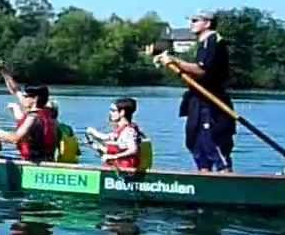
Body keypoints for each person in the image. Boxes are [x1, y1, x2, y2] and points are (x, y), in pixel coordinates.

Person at [155, 10, 235, 172]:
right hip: (197, 101)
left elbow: (201, 70)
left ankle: (225, 178)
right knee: (196, 144)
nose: (190, 24)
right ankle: (203, 176)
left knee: (212, 142)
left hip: (212, 103)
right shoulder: (202, 43)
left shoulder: (213, 41)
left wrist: (174, 60)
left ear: (207, 23)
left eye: (195, 20)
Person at [0, 65, 57, 162]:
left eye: (26, 96)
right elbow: (16, 90)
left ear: (35, 98)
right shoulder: (47, 112)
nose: (23, 97)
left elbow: (15, 138)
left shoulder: (32, 118)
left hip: (35, 161)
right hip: (48, 160)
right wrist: (5, 73)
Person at [85, 97, 147, 170]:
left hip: (125, 173)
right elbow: (114, 149)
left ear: (122, 113)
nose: (110, 113)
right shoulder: (120, 130)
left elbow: (133, 149)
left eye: (113, 111)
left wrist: (113, 156)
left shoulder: (128, 131)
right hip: (115, 170)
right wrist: (94, 145)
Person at [47, 99, 80, 163]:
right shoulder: (68, 128)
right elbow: (77, 152)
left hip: (53, 163)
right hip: (70, 163)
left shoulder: (47, 128)